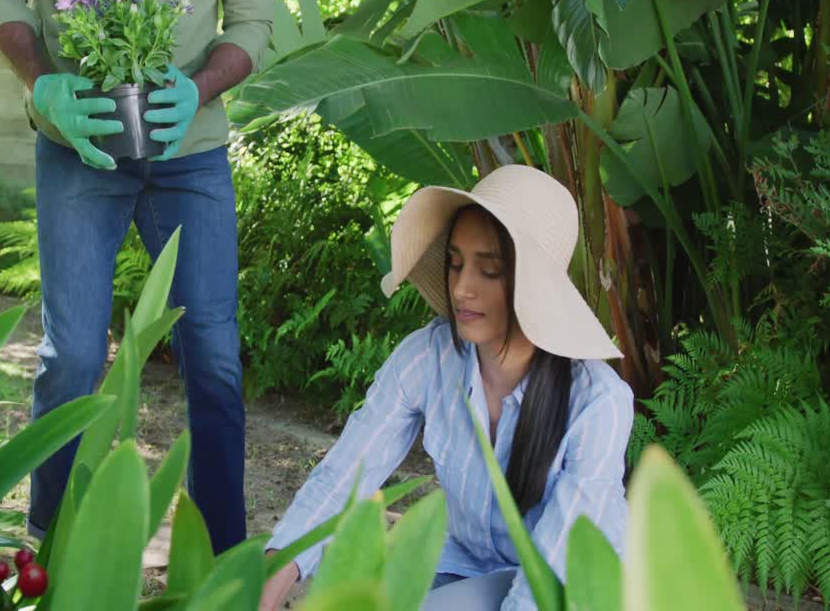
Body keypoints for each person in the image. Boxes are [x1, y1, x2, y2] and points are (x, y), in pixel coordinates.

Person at [0, 0, 273, 553]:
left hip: (189, 153)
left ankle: (218, 568)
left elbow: (253, 23)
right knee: (73, 356)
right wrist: (42, 83)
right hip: (77, 145)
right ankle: (49, 554)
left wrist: (201, 88)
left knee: (216, 359)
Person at [258, 164, 634, 611]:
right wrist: (271, 576)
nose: (461, 289)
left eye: (488, 270)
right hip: (465, 565)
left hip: (574, 589)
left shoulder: (597, 402)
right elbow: (345, 475)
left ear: (535, 287)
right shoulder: (427, 359)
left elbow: (550, 576)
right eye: (455, 265)